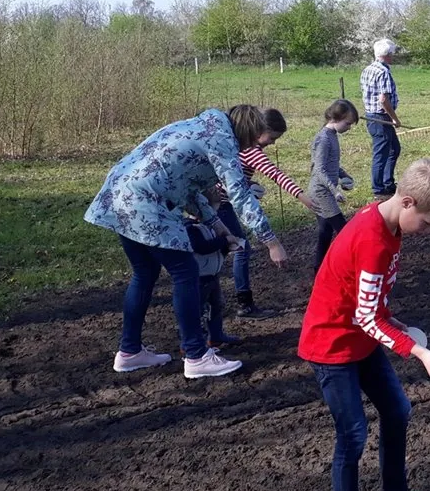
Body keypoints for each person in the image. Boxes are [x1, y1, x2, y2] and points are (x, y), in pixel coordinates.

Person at [299, 158, 430, 491]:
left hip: (361, 338)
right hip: (332, 345)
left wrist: (399, 325)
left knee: (397, 410)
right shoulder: (373, 238)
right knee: (353, 433)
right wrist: (419, 352)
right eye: (427, 223)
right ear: (407, 202)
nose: (427, 232)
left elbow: (371, 306)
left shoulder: (389, 225)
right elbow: (366, 316)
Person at [84, 106, 289, 378]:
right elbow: (238, 194)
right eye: (254, 138)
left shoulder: (196, 127)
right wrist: (271, 240)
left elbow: (188, 187)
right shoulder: (222, 140)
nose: (254, 145)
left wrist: (217, 226)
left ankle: (129, 351)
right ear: (247, 131)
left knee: (145, 273)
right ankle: (196, 355)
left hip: (120, 194)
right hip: (146, 202)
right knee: (186, 272)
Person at [216, 108, 316, 321]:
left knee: (227, 250)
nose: (272, 143)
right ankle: (244, 304)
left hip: (221, 204)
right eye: (272, 137)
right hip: (221, 206)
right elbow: (276, 175)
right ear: (261, 129)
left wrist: (249, 183)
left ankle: (220, 301)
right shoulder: (252, 150)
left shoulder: (238, 144)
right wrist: (302, 197)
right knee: (241, 248)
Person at [311, 99, 361, 273]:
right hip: (321, 192)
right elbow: (319, 169)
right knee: (344, 230)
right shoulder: (324, 139)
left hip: (326, 189)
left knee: (325, 231)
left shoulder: (332, 136)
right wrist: (335, 190)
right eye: (347, 123)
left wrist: (343, 174)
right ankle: (351, 267)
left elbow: (331, 164)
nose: (349, 127)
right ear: (335, 118)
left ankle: (319, 269)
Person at [184, 212, 241, 351]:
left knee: (216, 306)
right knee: (199, 310)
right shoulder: (190, 228)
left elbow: (216, 247)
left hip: (213, 274)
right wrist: (224, 241)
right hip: (200, 277)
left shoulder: (209, 226)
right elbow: (202, 247)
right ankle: (197, 342)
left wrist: (228, 248)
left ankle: (216, 335)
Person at [361, 38, 401, 197]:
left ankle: (388, 183)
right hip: (380, 118)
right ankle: (379, 190)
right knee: (381, 153)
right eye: (392, 54)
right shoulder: (384, 72)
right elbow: (383, 99)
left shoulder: (367, 69)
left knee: (394, 149)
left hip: (372, 116)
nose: (393, 56)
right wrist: (394, 119)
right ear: (388, 54)